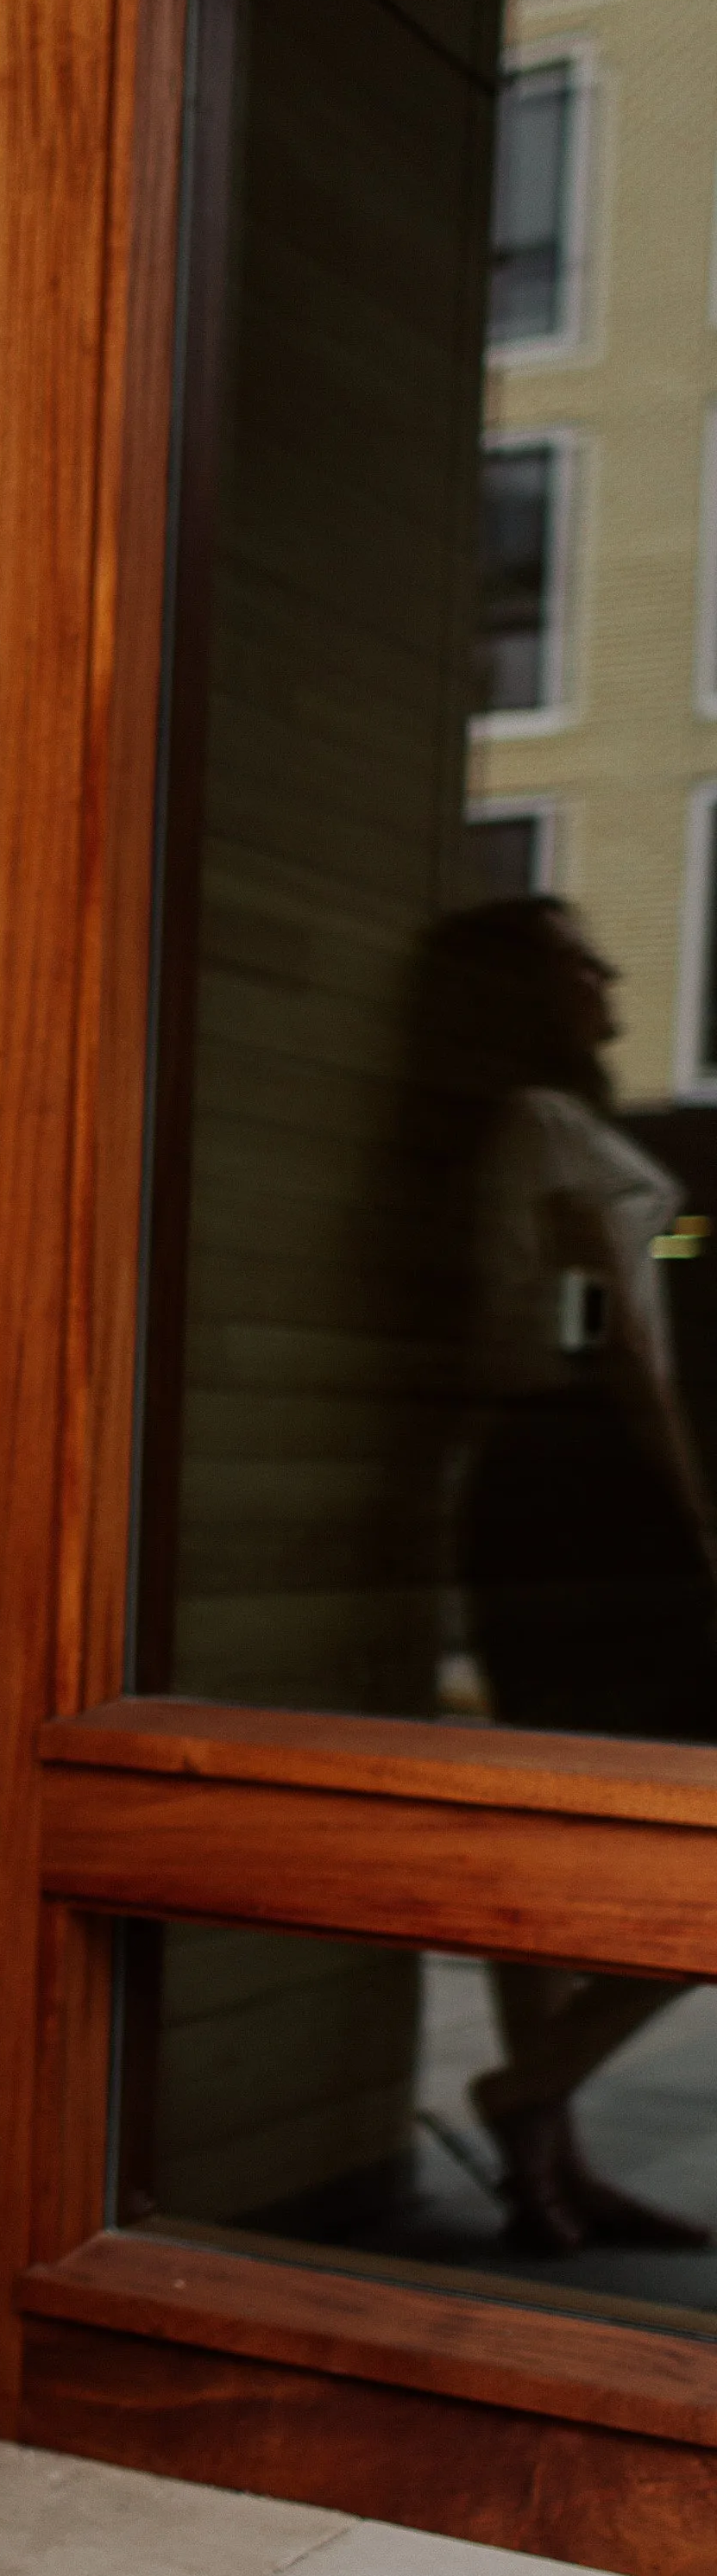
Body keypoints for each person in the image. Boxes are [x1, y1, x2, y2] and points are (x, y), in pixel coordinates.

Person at [426, 894, 715, 2258]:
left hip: (551, 1489)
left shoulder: (537, 1124)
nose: (608, 975)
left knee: (558, 1811)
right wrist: (700, 1519)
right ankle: (532, 2100)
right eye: (580, 960)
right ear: (532, 991)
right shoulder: (539, 1125)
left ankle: (547, 2149)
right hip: (584, 1496)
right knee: (582, 1812)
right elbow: (637, 1356)